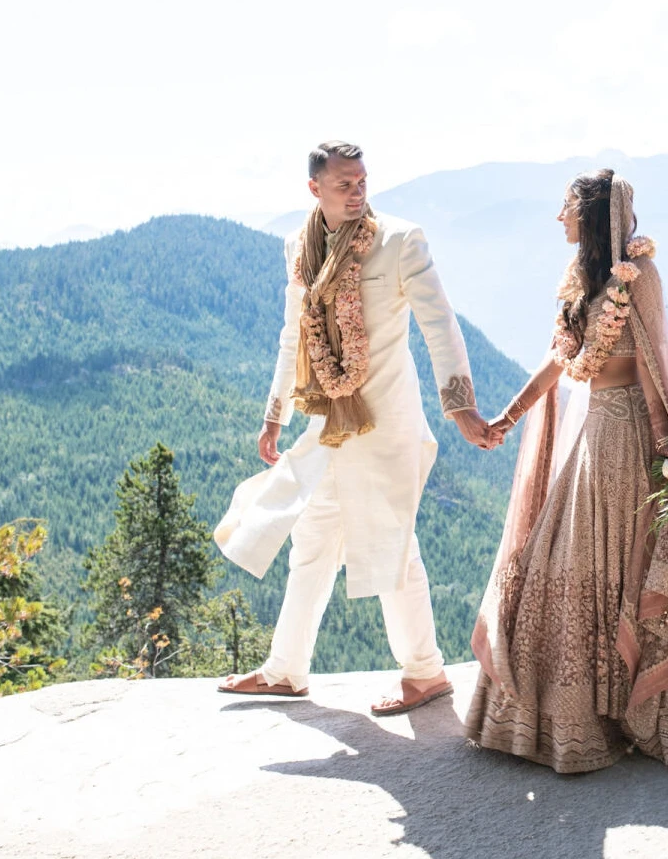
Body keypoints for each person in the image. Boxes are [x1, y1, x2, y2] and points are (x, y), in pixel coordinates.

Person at [465, 169, 668, 772]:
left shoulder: (639, 276)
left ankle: (664, 711)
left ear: (592, 217)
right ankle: (585, 711)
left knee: (642, 564)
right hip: (591, 433)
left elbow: (654, 361)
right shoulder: (578, 278)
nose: (558, 218)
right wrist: (509, 416)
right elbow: (559, 359)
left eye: (566, 208)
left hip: (634, 440)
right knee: (571, 561)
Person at [213, 139, 497, 716]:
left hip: (387, 422)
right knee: (312, 543)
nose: (357, 191)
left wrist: (460, 405)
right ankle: (285, 671)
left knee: (390, 544)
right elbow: (293, 336)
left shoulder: (400, 240)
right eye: (344, 184)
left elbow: (439, 324)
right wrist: (275, 414)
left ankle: (424, 673)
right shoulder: (299, 244)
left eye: (363, 180)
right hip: (326, 424)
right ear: (314, 189)